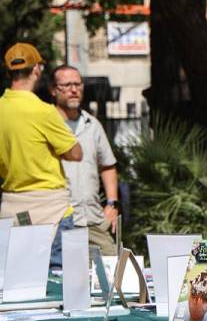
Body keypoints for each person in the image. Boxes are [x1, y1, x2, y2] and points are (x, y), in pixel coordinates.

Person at [0, 44, 82, 268]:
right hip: (51, 209)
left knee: (16, 283)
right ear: (37, 69)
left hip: (12, 208)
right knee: (59, 280)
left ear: (9, 72)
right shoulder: (44, 111)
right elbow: (76, 153)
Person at [49, 65, 120, 255]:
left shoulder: (92, 124)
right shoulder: (45, 123)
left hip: (93, 219)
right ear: (53, 90)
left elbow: (108, 165)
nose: (74, 90)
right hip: (60, 220)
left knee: (111, 269)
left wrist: (112, 204)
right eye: (66, 85)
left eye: (77, 84)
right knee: (62, 279)